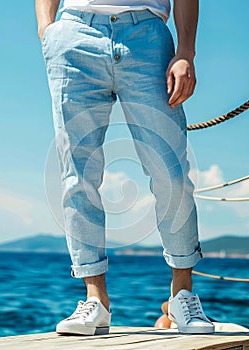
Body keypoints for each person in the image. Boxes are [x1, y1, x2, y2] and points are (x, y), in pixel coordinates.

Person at [35, 0, 215, 335]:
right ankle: (95, 300)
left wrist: (186, 51)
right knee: (78, 175)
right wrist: (47, 30)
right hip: (74, 36)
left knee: (170, 171)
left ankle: (182, 296)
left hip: (147, 35)